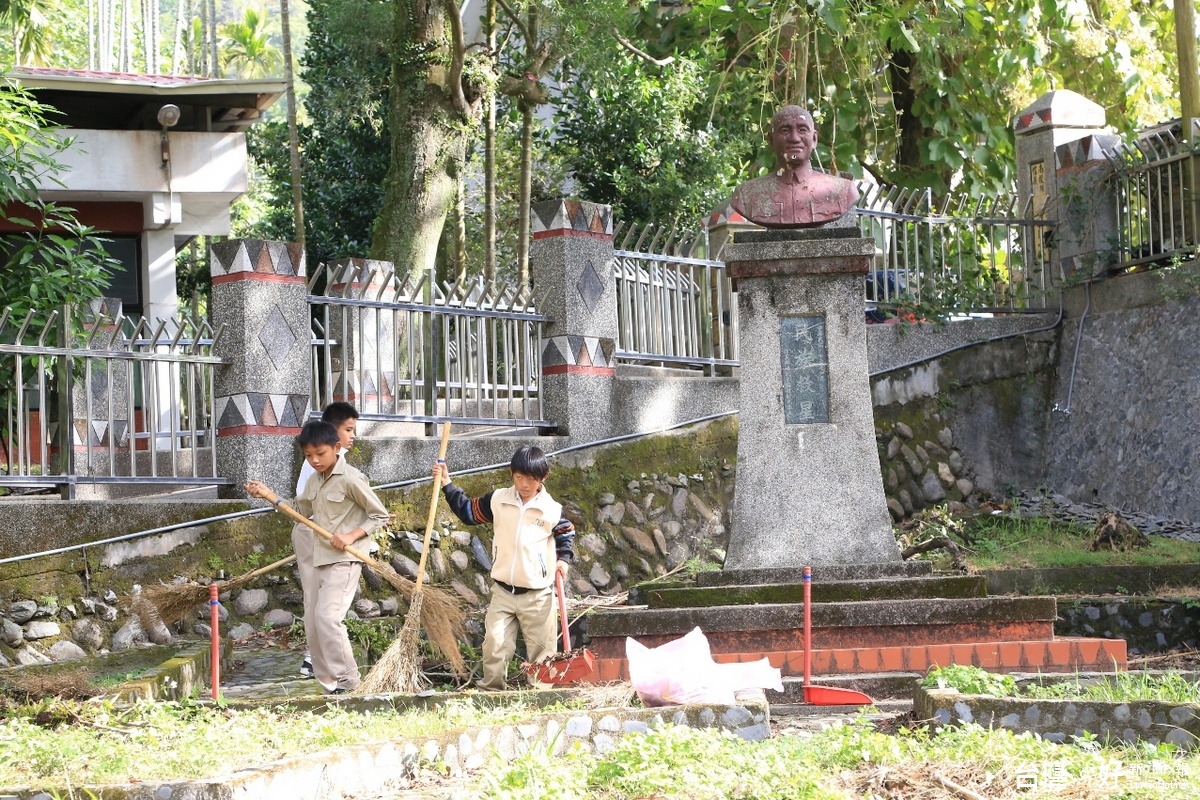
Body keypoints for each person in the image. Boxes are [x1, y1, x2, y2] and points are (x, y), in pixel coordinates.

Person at [246, 420, 389, 694]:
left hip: (344, 560)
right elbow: (298, 509)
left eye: (320, 454)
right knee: (312, 622)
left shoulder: (351, 479)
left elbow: (379, 515)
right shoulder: (314, 480)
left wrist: (349, 536)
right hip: (319, 559)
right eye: (308, 455)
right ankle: (330, 684)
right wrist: (267, 495)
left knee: (327, 617)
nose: (314, 460)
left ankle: (349, 683)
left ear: (337, 448)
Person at [434, 445, 575, 691]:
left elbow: (565, 534)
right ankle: (491, 690)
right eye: (519, 477)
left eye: (531, 479)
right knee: (494, 643)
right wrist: (447, 483)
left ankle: (540, 697)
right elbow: (469, 512)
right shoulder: (499, 499)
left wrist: (563, 560)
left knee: (542, 651)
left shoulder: (551, 509)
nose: (524, 484)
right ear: (512, 473)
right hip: (503, 592)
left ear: (543, 477)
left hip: (538, 594)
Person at [729, 105, 859, 228]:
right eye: (785, 130)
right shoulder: (746, 195)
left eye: (802, 130)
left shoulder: (843, 190)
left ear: (814, 139)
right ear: (771, 141)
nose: (794, 138)